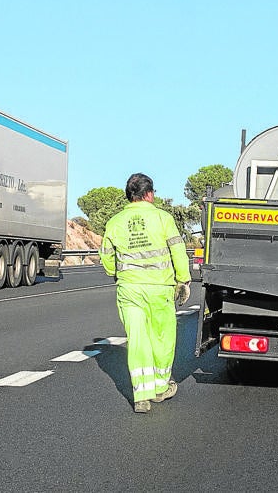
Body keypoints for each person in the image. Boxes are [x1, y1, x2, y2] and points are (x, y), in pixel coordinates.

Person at [99, 173, 192, 414]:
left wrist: (116, 273)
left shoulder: (115, 222)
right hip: (160, 289)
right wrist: (183, 279)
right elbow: (178, 251)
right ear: (149, 194)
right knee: (162, 337)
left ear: (129, 195)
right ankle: (160, 388)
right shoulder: (163, 218)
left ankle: (141, 395)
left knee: (137, 339)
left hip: (129, 289)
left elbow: (107, 257)